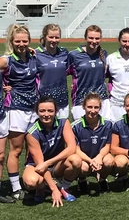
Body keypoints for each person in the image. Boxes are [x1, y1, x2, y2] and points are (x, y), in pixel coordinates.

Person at [2, 24, 40, 200]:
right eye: (18, 41)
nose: (21, 44)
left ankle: (33, 181)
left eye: (25, 41)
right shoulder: (7, 60)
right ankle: (16, 188)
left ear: (29, 41)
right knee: (16, 150)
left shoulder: (33, 57)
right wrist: (3, 86)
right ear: (12, 41)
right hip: (16, 108)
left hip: (34, 108)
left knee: (33, 148)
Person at [22, 96, 80, 207]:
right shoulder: (31, 132)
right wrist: (54, 190)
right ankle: (42, 187)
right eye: (42, 111)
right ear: (37, 112)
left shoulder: (64, 122)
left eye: (50, 110)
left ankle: (64, 187)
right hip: (37, 166)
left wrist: (49, 162)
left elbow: (72, 148)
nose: (46, 114)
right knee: (31, 182)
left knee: (76, 160)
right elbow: (40, 164)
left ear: (56, 111)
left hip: (56, 164)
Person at [72, 92, 114, 195]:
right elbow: (76, 149)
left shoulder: (108, 124)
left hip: (101, 156)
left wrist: (99, 157)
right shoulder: (75, 126)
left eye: (96, 107)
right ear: (83, 107)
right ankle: (82, 180)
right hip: (85, 159)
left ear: (100, 108)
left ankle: (102, 179)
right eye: (89, 107)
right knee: (83, 167)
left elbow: (107, 145)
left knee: (109, 161)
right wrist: (91, 161)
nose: (93, 110)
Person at [67, 25, 109, 120]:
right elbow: (61, 74)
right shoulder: (73, 55)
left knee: (104, 130)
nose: (94, 41)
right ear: (85, 37)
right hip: (80, 101)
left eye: (97, 38)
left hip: (102, 100)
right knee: (81, 132)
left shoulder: (104, 53)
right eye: (91, 38)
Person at [34, 24, 70, 120]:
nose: (54, 40)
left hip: (62, 102)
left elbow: (73, 70)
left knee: (61, 131)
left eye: (57, 37)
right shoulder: (35, 54)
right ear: (45, 37)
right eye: (51, 37)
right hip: (44, 103)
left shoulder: (64, 53)